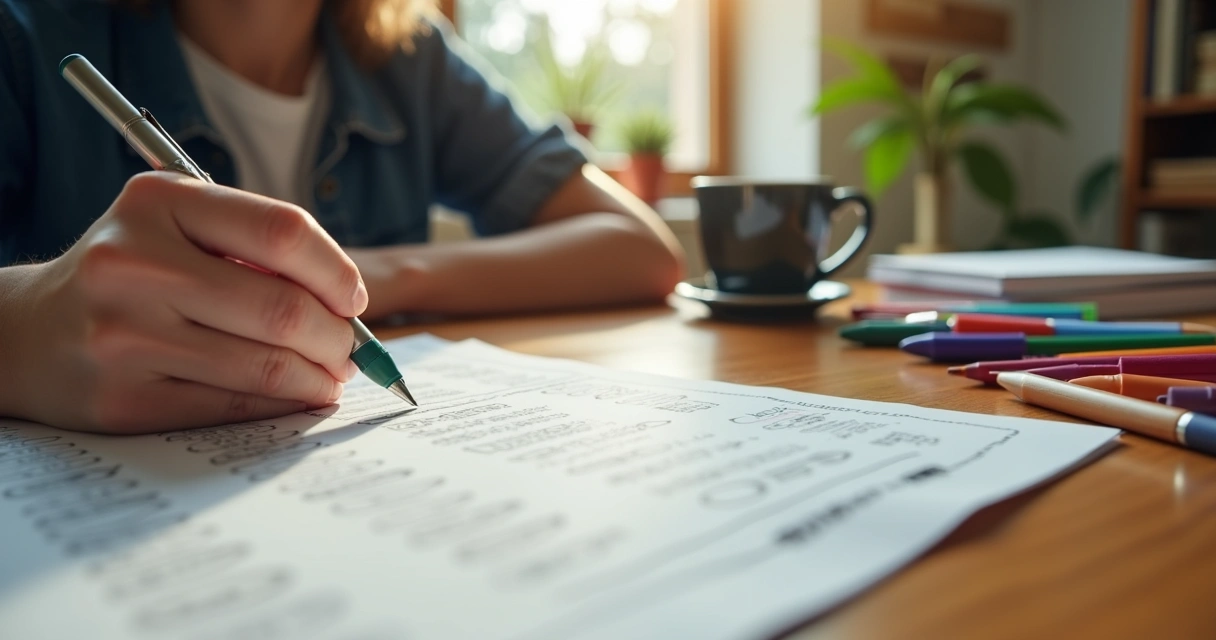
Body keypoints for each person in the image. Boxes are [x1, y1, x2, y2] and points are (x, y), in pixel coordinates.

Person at [0, 0, 686, 434]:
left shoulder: (411, 60)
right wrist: (27, 330)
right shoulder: (26, 37)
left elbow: (638, 248)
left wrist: (384, 275)